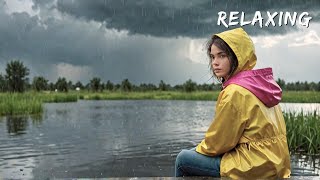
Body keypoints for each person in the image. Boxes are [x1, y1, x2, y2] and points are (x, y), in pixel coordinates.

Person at [175, 27, 291, 179]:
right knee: (195, 152)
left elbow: (219, 143)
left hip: (255, 166)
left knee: (183, 159)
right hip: (275, 162)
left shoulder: (235, 91)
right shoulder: (261, 85)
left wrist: (199, 149)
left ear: (237, 56)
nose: (215, 63)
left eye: (221, 56)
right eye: (212, 57)